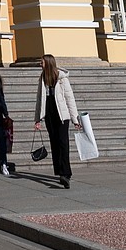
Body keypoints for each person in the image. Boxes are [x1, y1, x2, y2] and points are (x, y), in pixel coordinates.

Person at [34, 53, 81, 189]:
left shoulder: (61, 78)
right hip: (49, 113)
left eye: (41, 62)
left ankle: (66, 173)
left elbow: (69, 98)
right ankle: (59, 171)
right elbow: (39, 99)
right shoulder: (42, 79)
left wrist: (75, 118)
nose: (40, 64)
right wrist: (38, 119)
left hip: (62, 115)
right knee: (54, 142)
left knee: (63, 143)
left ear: (48, 63)